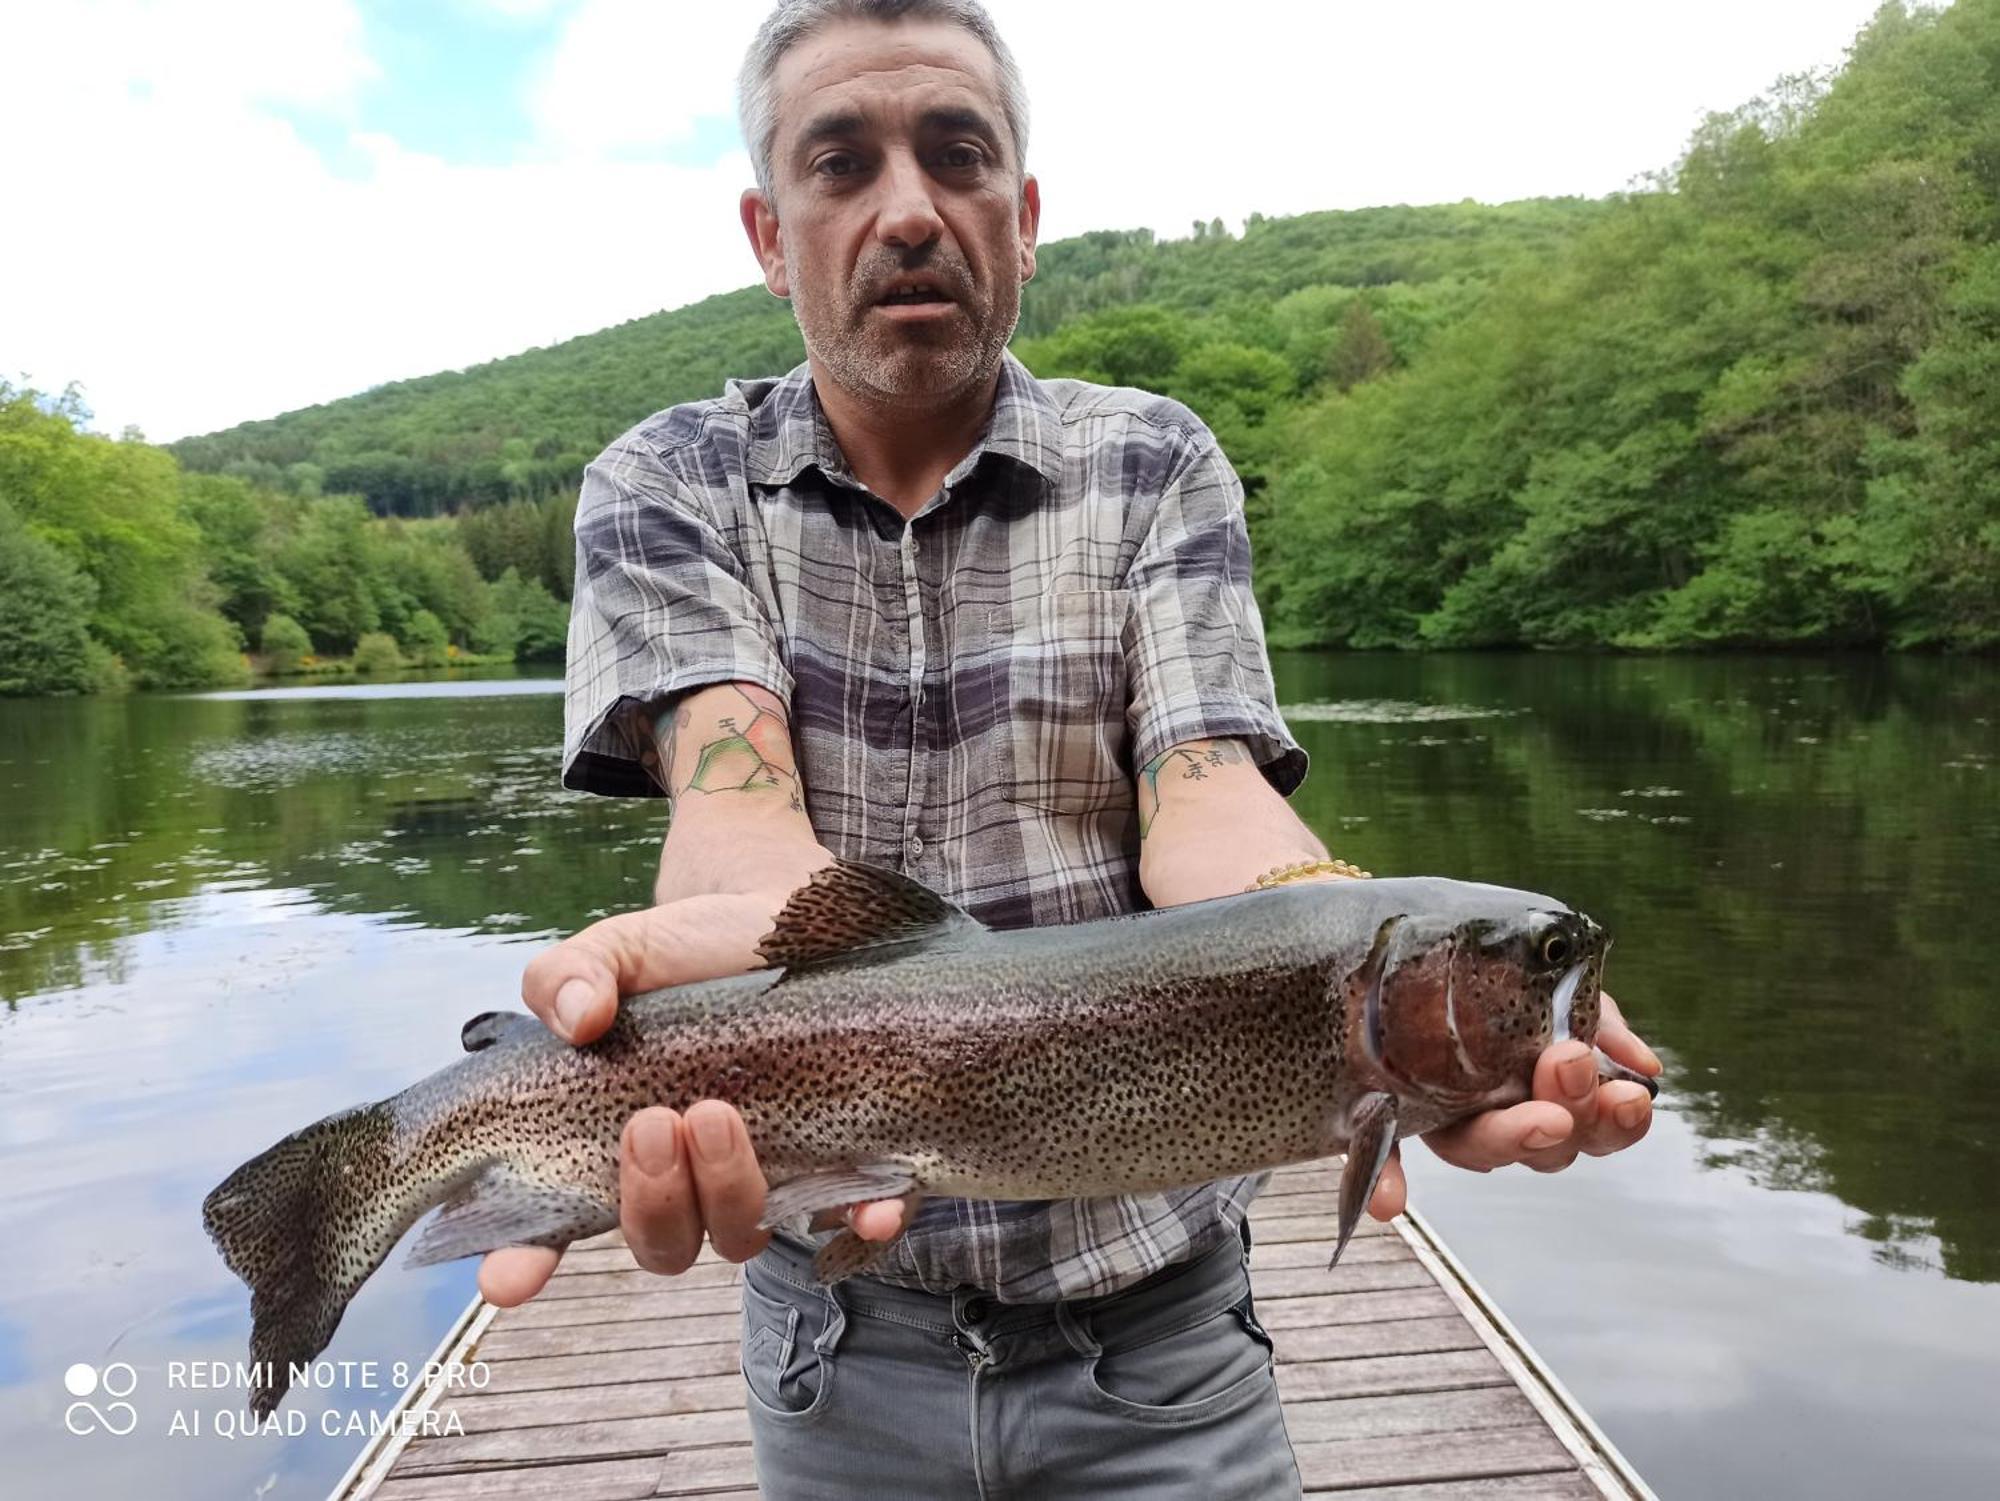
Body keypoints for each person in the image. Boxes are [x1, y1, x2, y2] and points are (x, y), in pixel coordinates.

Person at [479, 1, 1660, 1495]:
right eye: (841, 164)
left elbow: (1209, 795)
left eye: (956, 154)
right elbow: (738, 799)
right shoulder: (667, 479)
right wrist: (707, 977)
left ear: (1023, 217)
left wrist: (1368, 962)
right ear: (771, 235)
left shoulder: (1155, 460)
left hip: (1163, 1341)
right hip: (832, 1334)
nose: (908, 206)